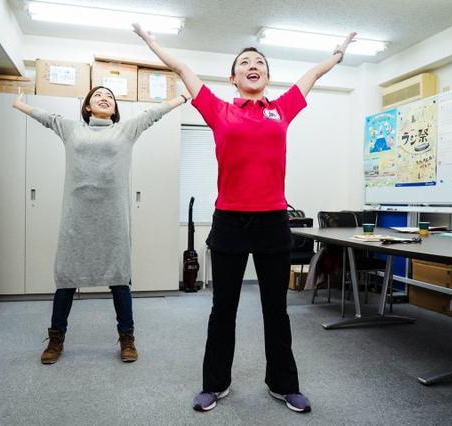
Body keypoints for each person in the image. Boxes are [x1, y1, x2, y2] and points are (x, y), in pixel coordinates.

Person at [133, 23, 356, 413]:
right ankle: (215, 384)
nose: (253, 66)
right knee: (223, 309)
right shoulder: (218, 110)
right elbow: (182, 69)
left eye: (260, 63)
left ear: (267, 76)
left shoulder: (281, 109)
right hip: (230, 223)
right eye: (245, 63)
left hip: (273, 222)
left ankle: (283, 384)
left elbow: (311, 75)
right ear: (232, 78)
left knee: (276, 310)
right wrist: (152, 43)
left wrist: (337, 54)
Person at [12, 85, 189, 364]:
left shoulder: (126, 130)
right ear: (87, 106)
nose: (105, 98)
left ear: (115, 108)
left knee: (119, 278)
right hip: (76, 217)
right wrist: (20, 104)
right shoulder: (71, 129)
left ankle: (127, 338)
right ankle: (56, 339)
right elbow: (46, 118)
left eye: (110, 97)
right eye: (98, 95)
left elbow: (153, 114)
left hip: (113, 218)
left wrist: (183, 96)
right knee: (66, 278)